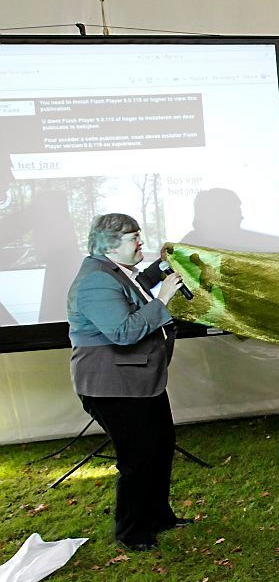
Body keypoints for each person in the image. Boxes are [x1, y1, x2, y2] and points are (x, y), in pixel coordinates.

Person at [66, 213, 192, 551]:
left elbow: (135, 289)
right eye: (133, 238)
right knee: (138, 458)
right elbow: (123, 332)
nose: (140, 243)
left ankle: (159, 517)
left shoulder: (114, 271)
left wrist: (160, 267)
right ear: (110, 245)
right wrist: (163, 298)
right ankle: (132, 531)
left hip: (138, 379)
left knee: (160, 447)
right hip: (112, 385)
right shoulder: (96, 281)